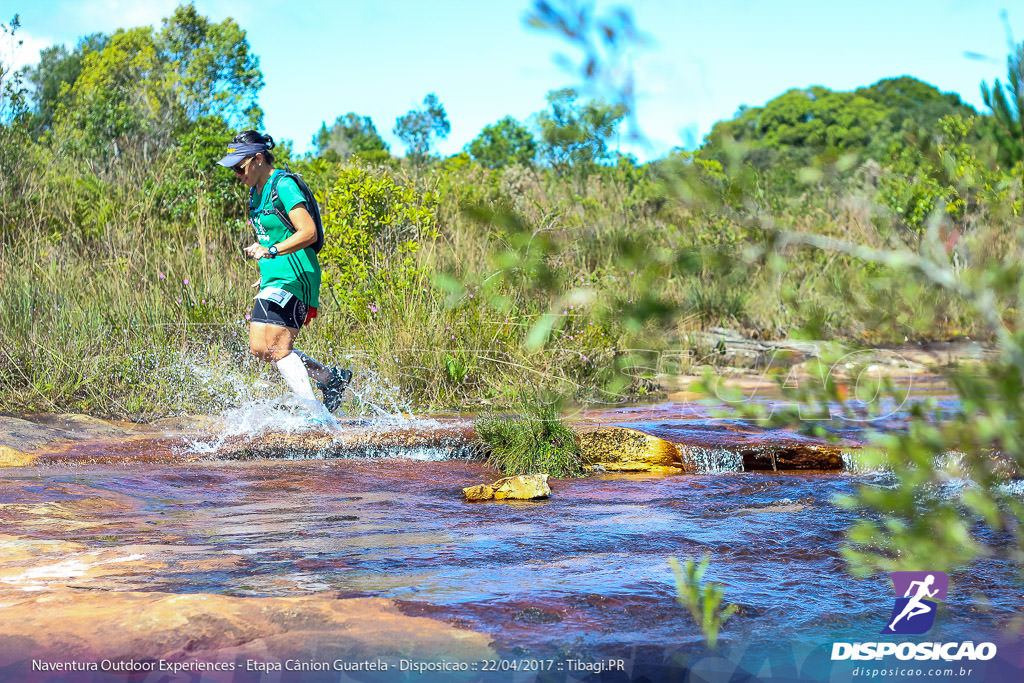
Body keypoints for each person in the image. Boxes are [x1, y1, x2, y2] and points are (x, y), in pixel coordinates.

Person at [216, 131, 352, 416]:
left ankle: (316, 418)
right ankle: (330, 379)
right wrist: (267, 271)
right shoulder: (255, 193)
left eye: (239, 168)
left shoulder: (284, 185)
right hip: (276, 277)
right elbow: (270, 235)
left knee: (277, 345)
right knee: (260, 347)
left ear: (258, 159)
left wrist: (273, 253)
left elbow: (308, 231)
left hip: (298, 274)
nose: (237, 176)